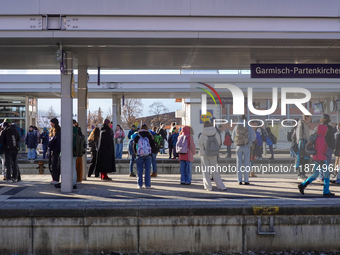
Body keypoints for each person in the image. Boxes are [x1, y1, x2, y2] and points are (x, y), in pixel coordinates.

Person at [298, 124, 335, 197]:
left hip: (316, 158)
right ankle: (326, 191)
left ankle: (303, 185)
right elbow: (320, 150)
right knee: (327, 174)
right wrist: (321, 161)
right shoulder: (321, 139)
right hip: (321, 159)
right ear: (323, 131)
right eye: (326, 130)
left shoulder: (317, 137)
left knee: (315, 174)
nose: (326, 132)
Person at [198, 121, 226, 191]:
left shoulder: (203, 134)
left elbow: (199, 144)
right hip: (213, 154)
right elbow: (218, 143)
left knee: (205, 171)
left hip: (204, 154)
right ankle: (221, 186)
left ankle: (208, 187)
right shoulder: (216, 133)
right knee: (215, 170)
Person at [231, 115, 256, 185]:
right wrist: (249, 141)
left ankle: (239, 180)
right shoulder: (249, 127)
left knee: (238, 164)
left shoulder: (236, 127)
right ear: (246, 120)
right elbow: (253, 138)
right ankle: (246, 180)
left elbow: (233, 138)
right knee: (246, 164)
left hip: (238, 147)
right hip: (246, 146)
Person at [133, 124, 155, 188]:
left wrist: (136, 153)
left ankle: (139, 185)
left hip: (139, 155)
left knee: (139, 170)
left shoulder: (138, 136)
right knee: (147, 170)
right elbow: (153, 145)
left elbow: (134, 145)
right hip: (148, 155)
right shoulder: (149, 135)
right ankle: (147, 185)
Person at [316, 114, 335, 181]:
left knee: (321, 162)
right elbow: (332, 139)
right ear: (328, 120)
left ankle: (321, 177)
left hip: (320, 148)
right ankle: (326, 177)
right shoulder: (330, 128)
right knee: (327, 163)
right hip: (328, 147)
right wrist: (333, 147)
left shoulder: (317, 127)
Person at [296, 114, 312, 181]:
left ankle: (303, 173)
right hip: (302, 144)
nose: (311, 118)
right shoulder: (301, 124)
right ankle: (300, 175)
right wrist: (300, 144)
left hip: (306, 144)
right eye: (310, 117)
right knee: (301, 159)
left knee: (306, 160)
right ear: (307, 117)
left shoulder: (306, 124)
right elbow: (299, 135)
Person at [48, 118, 61, 184]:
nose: (51, 124)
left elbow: (56, 141)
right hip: (52, 150)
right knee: (51, 165)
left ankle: (56, 179)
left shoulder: (58, 132)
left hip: (55, 150)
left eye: (52, 123)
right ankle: (54, 179)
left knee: (55, 165)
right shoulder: (52, 131)